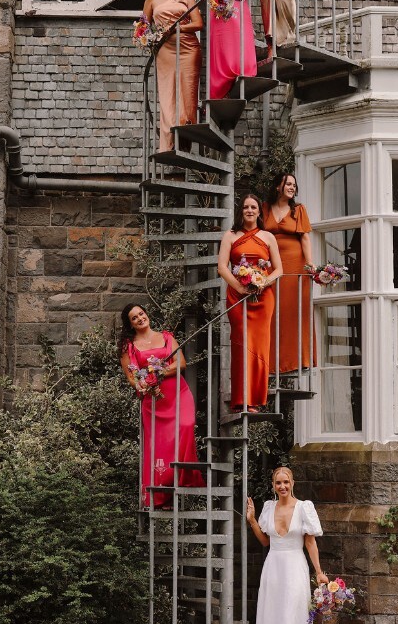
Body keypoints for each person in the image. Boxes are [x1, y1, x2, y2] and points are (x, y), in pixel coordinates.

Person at [246, 467, 344, 624]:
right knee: (274, 618)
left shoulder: (303, 508)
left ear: (293, 483)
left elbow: (310, 543)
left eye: (286, 482)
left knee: (293, 619)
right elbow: (265, 541)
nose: (282, 487)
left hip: (294, 569)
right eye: (278, 483)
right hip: (273, 569)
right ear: (273, 484)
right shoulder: (269, 508)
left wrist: (319, 572)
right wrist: (251, 520)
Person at [120, 303, 204, 508]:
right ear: (130, 324)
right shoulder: (128, 346)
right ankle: (162, 495)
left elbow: (181, 363)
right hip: (153, 400)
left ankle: (182, 479)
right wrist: (142, 382)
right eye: (134, 318)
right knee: (161, 446)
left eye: (141, 313)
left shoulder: (166, 337)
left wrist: (156, 372)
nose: (140, 318)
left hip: (177, 393)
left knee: (186, 426)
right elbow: (131, 377)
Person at [217, 194, 282, 412]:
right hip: (237, 296)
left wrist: (263, 281)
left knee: (260, 348)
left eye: (254, 207)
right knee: (241, 345)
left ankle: (256, 400)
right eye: (246, 207)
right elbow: (222, 267)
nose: (250, 210)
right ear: (241, 211)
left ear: (258, 211)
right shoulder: (230, 235)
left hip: (263, 299)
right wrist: (239, 286)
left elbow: (279, 269)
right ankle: (240, 399)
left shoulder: (268, 236)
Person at [142, 0, 203, 152]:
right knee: (167, 93)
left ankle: (184, 139)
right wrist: (149, 38)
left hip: (188, 47)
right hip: (165, 50)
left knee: (188, 92)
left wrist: (177, 28)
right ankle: (168, 143)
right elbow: (143, 26)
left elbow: (198, 23)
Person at [262, 173, 316, 374]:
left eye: (294, 184)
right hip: (271, 266)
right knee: (272, 311)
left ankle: (298, 360)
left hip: (294, 266)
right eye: (288, 184)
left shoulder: (298, 209)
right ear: (278, 186)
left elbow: (305, 239)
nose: (292, 187)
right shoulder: (265, 208)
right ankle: (271, 363)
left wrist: (310, 265)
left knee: (294, 312)